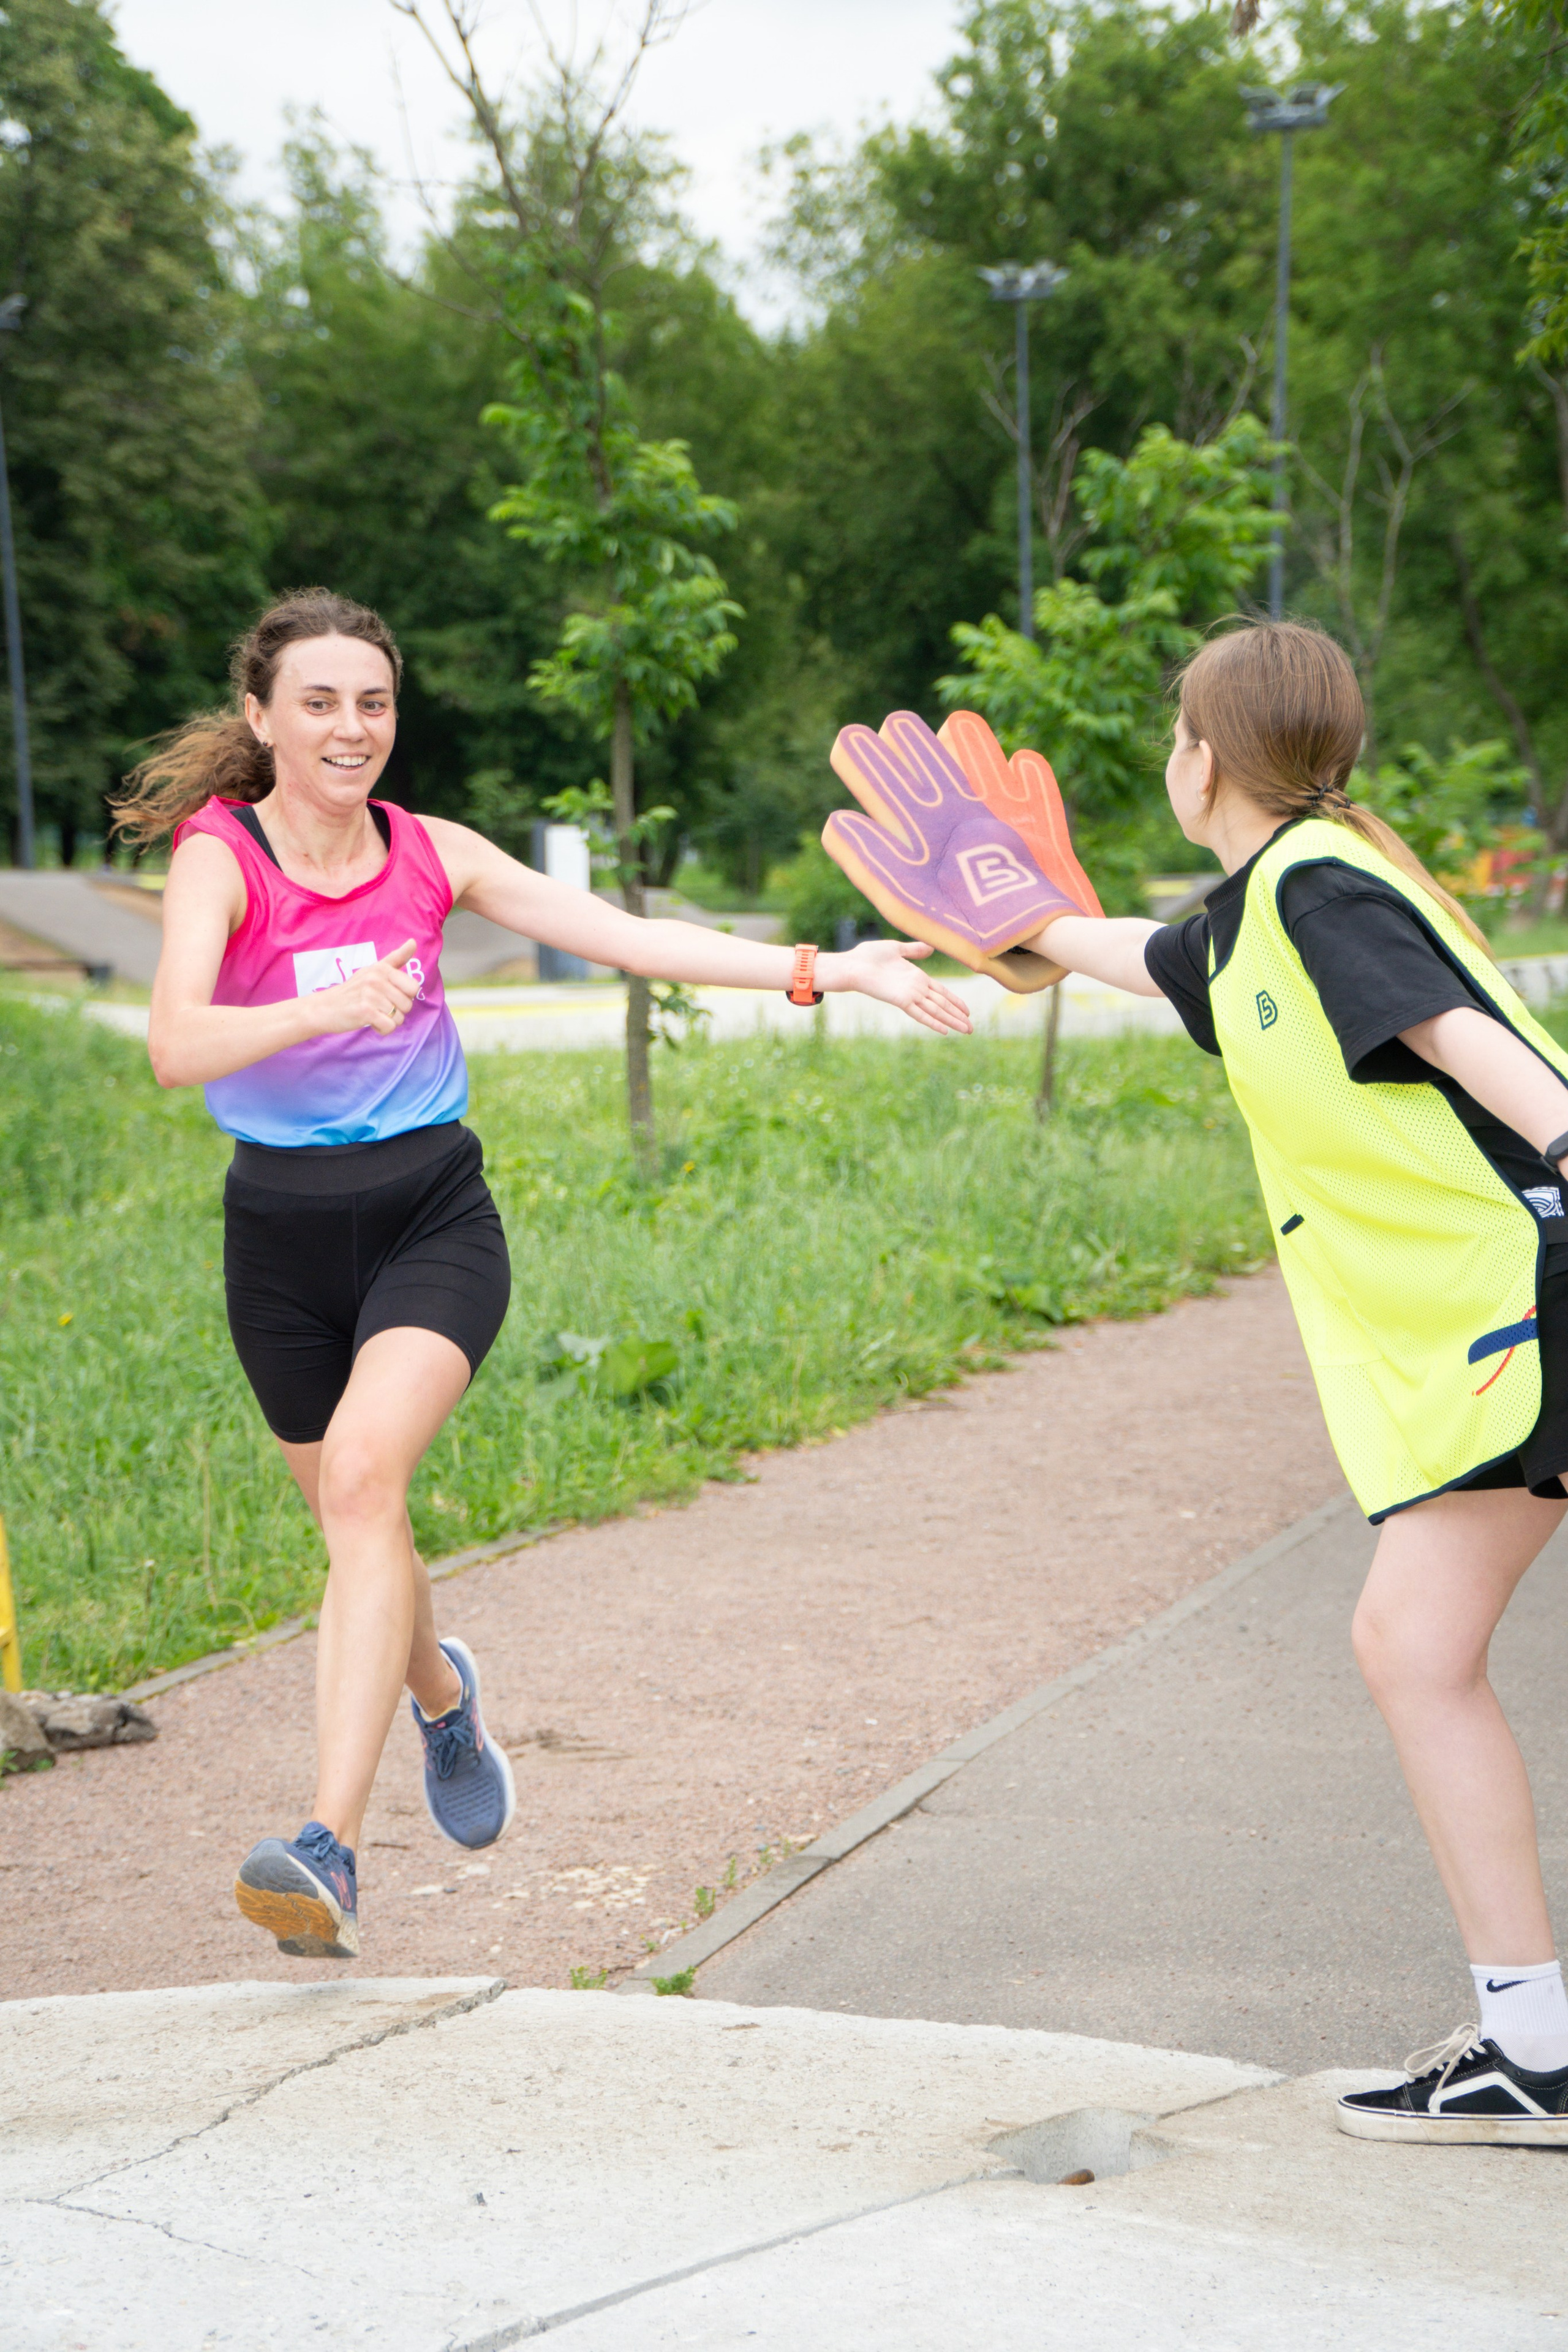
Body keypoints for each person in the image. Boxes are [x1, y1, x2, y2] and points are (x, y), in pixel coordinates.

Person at [119, 587, 970, 1963]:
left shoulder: (431, 851)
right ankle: (445, 1697)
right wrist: (324, 1006)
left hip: (426, 1219)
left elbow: (630, 940)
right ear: (264, 716)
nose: (351, 728)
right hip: (275, 1236)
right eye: (321, 702)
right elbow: (174, 1045)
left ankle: (326, 1848)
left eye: (374, 702)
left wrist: (831, 970)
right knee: (359, 1532)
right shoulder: (219, 858)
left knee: (359, 1484)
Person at [1016, 619, 1568, 2146]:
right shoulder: (1264, 903)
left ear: (1203, 758)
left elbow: (1470, 1047)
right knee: (1411, 1641)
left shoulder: (1315, 887)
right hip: (1508, 1317)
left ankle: (1535, 2045)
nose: (1167, 756)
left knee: (1411, 1642)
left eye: (1174, 735)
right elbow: (1142, 958)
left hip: (1529, 1301)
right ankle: (1532, 2044)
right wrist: (1003, 911)